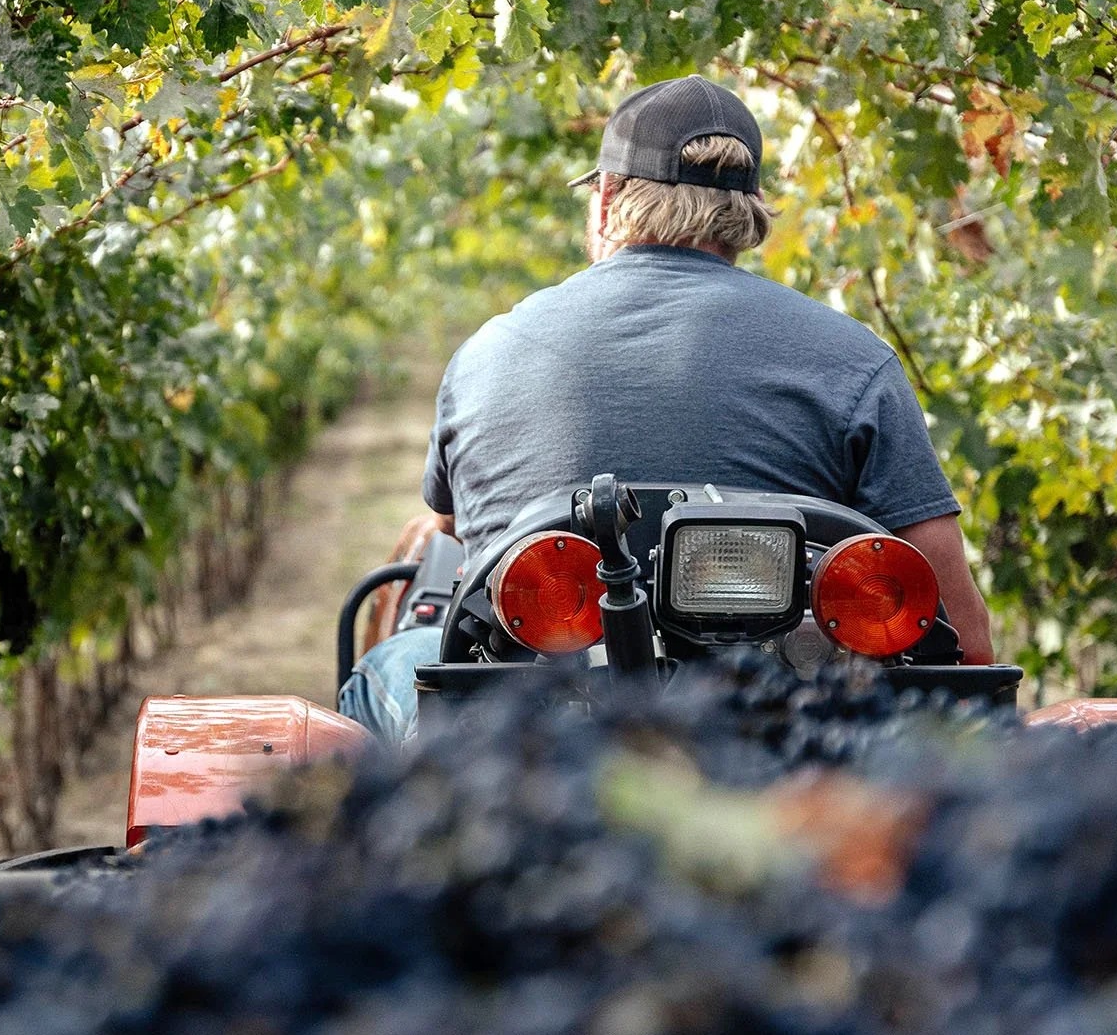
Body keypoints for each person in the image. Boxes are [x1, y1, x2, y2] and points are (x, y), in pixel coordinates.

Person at [340, 73, 992, 742]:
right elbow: (966, 646)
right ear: (750, 213)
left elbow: (453, 534)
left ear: (605, 201)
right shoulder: (856, 360)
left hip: (531, 724)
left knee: (390, 664)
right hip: (786, 721)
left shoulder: (488, 353)